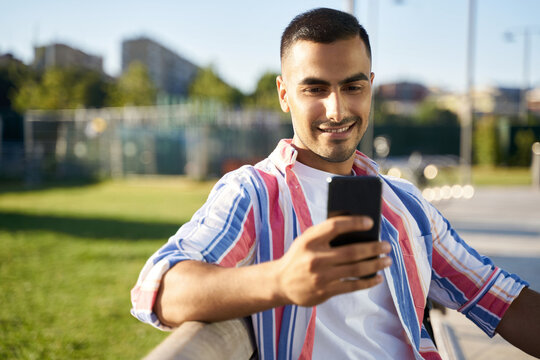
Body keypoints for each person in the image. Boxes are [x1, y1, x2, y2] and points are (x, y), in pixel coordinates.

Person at [131, 8, 540, 360]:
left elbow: (497, 297)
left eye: (352, 87)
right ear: (284, 93)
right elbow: (159, 289)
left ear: (371, 88)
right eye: (315, 88)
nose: (337, 108)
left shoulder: (404, 204)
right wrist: (280, 280)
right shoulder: (254, 191)